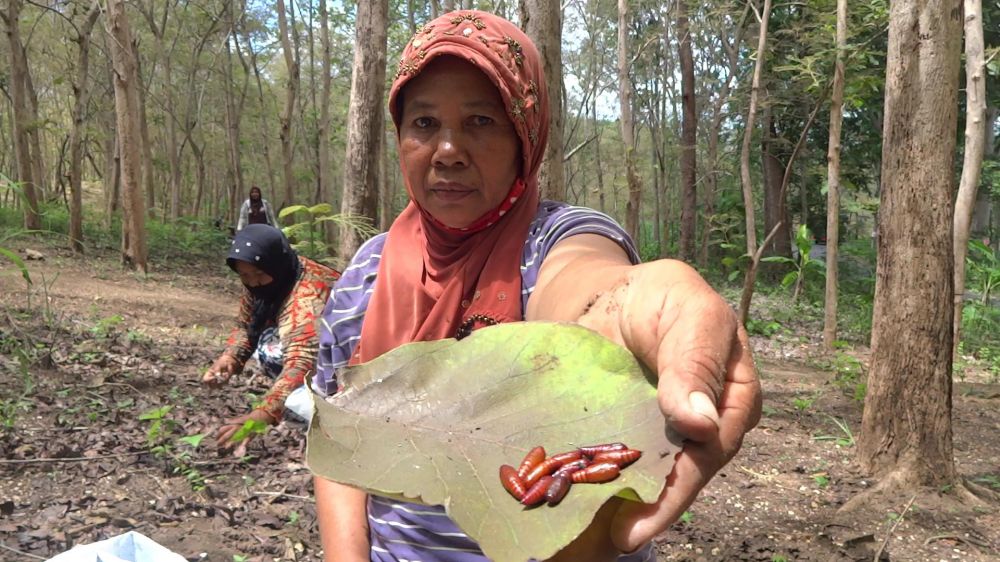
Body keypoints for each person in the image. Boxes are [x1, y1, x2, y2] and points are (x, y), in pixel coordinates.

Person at [310, 10, 761, 562]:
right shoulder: (365, 274)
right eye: (424, 124)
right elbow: (338, 432)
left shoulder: (557, 239)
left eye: (480, 121)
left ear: (526, 135)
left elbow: (585, 285)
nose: (448, 149)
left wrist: (627, 303)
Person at [203, 224, 340, 456]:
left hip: (348, 355)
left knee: (272, 351)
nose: (253, 282)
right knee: (266, 345)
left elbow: (301, 362)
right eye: (245, 275)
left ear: (276, 264)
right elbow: (246, 324)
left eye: (259, 274)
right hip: (309, 345)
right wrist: (231, 357)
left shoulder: (307, 294)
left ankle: (318, 402)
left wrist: (262, 414)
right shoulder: (265, 279)